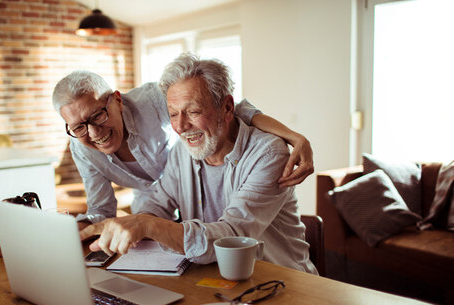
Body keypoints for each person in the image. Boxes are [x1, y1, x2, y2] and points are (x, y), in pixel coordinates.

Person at [81, 53, 317, 273]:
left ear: (226, 108)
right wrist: (137, 223)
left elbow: (231, 238)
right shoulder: (183, 152)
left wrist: (148, 225)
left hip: (281, 281)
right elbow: (158, 203)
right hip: (216, 280)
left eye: (193, 111)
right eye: (173, 114)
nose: (181, 126)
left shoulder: (268, 155)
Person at [52, 67, 313, 230]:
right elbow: (104, 210)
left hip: (214, 212)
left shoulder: (154, 100)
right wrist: (80, 229)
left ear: (117, 101)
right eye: (78, 127)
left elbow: (230, 108)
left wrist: (293, 136)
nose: (94, 133)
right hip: (173, 204)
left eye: (97, 116)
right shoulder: (82, 147)